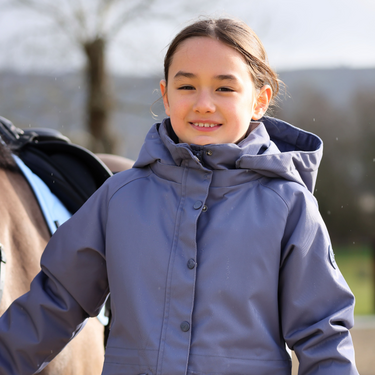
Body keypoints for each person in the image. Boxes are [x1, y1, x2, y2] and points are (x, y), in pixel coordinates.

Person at [0, 17, 358, 375]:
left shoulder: (288, 206)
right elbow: (54, 305)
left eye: (224, 89)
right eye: (186, 86)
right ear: (166, 96)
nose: (203, 104)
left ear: (259, 101)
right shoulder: (118, 198)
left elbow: (322, 334)